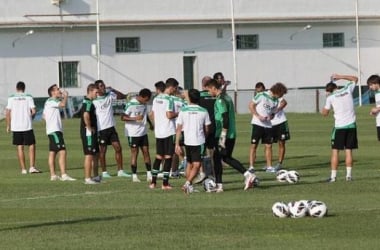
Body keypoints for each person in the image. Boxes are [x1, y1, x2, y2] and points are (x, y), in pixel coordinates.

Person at [205, 78, 256, 192]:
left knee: (221, 158)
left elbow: (225, 118)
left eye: (209, 90)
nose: (209, 93)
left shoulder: (220, 100)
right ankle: (221, 185)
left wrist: (222, 136)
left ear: (213, 88)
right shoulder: (227, 97)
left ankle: (246, 175)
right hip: (231, 134)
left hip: (224, 134)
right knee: (223, 158)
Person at [321, 74, 358, 182]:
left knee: (335, 151)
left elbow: (325, 113)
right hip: (351, 125)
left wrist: (327, 100)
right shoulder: (347, 89)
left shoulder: (331, 97)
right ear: (336, 87)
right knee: (349, 151)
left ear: (329, 90)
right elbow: (355, 79)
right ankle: (349, 176)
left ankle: (333, 177)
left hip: (339, 127)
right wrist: (340, 76)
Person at [93, 80, 130, 178]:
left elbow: (123, 96)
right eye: (101, 86)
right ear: (97, 88)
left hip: (111, 127)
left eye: (104, 85)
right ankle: (104, 172)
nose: (103, 87)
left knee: (118, 148)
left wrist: (113, 89)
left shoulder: (109, 95)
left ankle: (120, 171)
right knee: (102, 151)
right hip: (101, 129)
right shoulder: (94, 100)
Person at [175, 89, 211, 194]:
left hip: (187, 141)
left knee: (189, 163)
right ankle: (187, 183)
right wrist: (205, 136)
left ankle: (189, 186)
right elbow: (207, 128)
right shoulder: (203, 111)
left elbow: (178, 128)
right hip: (199, 141)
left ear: (189, 98)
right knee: (197, 165)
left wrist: (177, 144)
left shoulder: (183, 110)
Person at [248, 82, 288, 173]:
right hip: (257, 124)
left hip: (268, 125)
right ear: (277, 91)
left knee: (269, 145)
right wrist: (258, 116)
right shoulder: (261, 95)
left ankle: (269, 166)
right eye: (281, 94)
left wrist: (271, 116)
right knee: (254, 145)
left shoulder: (275, 100)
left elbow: (273, 113)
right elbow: (251, 105)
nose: (280, 96)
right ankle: (251, 166)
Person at [6, 81, 42, 174]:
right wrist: (31, 118)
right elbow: (33, 111)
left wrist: (8, 125)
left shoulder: (11, 97)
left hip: (16, 126)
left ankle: (23, 169)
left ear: (16, 88)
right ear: (24, 88)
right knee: (31, 145)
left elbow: (7, 112)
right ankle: (32, 167)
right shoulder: (28, 96)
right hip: (27, 125)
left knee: (19, 146)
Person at [149, 78, 179, 190]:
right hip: (168, 131)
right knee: (168, 157)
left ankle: (153, 182)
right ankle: (165, 184)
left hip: (159, 132)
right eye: (175, 89)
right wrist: (179, 113)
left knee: (158, 157)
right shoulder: (169, 99)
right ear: (171, 87)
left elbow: (152, 114)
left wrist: (157, 124)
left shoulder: (156, 98)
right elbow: (169, 115)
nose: (175, 91)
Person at [42, 84, 76, 181]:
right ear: (52, 92)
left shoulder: (48, 102)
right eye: (57, 90)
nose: (59, 91)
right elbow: (63, 105)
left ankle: (53, 175)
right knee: (62, 151)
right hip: (55, 130)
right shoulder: (52, 100)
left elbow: (43, 117)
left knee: (52, 152)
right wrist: (65, 97)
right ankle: (64, 175)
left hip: (52, 130)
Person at [121, 88, 153, 182]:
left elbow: (145, 114)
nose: (147, 101)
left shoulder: (143, 104)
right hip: (133, 133)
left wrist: (150, 124)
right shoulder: (131, 103)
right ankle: (134, 176)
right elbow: (122, 117)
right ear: (143, 97)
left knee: (146, 152)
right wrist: (135, 118)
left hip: (143, 132)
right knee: (135, 153)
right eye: (147, 99)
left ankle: (149, 174)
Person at [80, 83, 100, 184]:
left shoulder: (90, 102)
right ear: (90, 91)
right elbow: (85, 115)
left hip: (93, 132)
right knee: (89, 154)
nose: (97, 94)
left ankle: (96, 177)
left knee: (96, 154)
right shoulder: (87, 103)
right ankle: (87, 178)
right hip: (88, 133)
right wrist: (89, 127)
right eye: (96, 92)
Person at [197, 76, 216, 181]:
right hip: (214, 127)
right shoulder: (215, 95)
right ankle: (212, 173)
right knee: (212, 151)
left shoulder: (198, 96)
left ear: (202, 84)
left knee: (201, 152)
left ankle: (202, 172)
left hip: (202, 128)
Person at [271, 95, 290, 170]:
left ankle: (279, 163)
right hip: (270, 124)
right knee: (268, 144)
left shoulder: (275, 96)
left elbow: (284, 102)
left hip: (281, 122)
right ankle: (269, 165)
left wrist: (277, 110)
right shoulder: (263, 98)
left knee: (281, 143)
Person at [367, 74, 380, 140]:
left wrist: (377, 109)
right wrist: (374, 112)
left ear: (376, 83)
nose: (370, 87)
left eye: (371, 85)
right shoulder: (376, 93)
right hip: (378, 122)